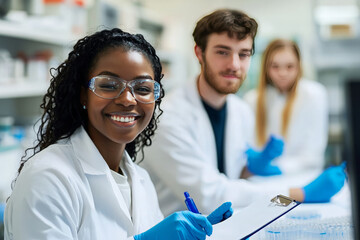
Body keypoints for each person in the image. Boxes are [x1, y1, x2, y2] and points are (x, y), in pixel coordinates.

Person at [4, 28, 233, 240]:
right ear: (83, 95)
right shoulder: (48, 178)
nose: (127, 99)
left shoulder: (140, 180)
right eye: (109, 85)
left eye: (142, 88)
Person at [140, 9, 347, 216]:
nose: (235, 65)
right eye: (223, 52)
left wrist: (252, 167)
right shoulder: (166, 117)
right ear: (199, 53)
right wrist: (298, 194)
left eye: (244, 54)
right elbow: (211, 196)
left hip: (229, 225)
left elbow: (235, 175)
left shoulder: (240, 111)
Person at [243, 38, 328, 175]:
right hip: (261, 180)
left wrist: (278, 168)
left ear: (299, 66)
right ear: (266, 68)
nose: (282, 73)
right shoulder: (252, 99)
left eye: (289, 66)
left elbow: (313, 155)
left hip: (303, 177)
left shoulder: (314, 94)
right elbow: (249, 149)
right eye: (275, 66)